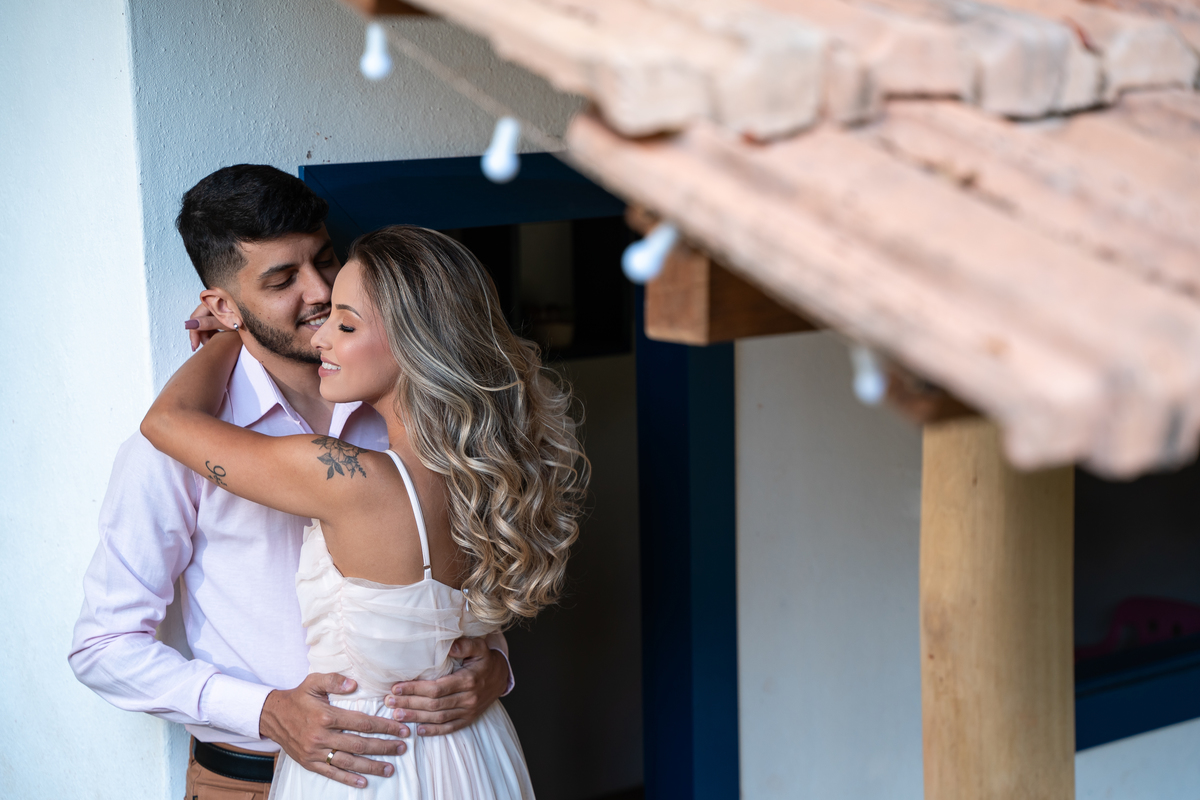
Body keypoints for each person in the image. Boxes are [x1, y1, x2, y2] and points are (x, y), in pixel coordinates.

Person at [70, 166, 517, 799]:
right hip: (246, 780)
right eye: (282, 279)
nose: (320, 292)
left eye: (326, 261)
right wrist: (265, 710)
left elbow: (446, 587)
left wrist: (493, 667)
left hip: (425, 771)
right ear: (223, 306)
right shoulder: (173, 453)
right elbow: (103, 646)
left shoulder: (407, 413)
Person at [140, 224, 587, 798]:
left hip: (366, 766)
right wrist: (494, 666)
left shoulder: (350, 479)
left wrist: (237, 332)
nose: (321, 337)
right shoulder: (492, 469)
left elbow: (166, 423)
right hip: (475, 754)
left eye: (345, 324)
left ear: (414, 344)